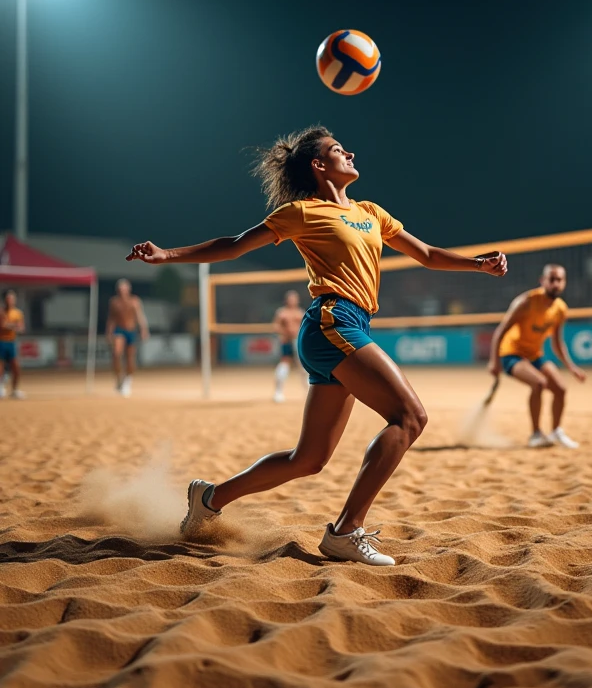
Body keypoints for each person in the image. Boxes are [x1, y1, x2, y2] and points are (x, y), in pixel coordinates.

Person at [127, 125, 507, 565]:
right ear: (318, 164)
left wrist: (478, 265)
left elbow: (425, 254)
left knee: (308, 459)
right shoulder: (303, 212)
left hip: (351, 324)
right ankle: (346, 530)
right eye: (337, 149)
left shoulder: (370, 212)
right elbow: (234, 246)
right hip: (332, 320)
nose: (349, 152)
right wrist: (168, 254)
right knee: (410, 417)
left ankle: (210, 498)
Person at [488, 264, 586, 449]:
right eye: (552, 279)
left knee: (560, 389)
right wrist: (494, 362)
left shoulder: (560, 309)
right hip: (511, 353)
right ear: (543, 281)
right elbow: (500, 332)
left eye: (560, 280)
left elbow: (557, 342)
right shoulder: (526, 302)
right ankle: (535, 434)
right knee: (539, 383)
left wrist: (572, 367)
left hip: (534, 354)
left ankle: (556, 431)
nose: (556, 284)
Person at [106, 278, 149, 397]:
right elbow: (111, 319)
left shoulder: (134, 301)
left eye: (124, 289)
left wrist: (144, 329)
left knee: (130, 358)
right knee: (117, 353)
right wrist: (109, 332)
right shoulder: (114, 302)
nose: (123, 291)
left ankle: (127, 381)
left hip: (131, 330)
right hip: (119, 330)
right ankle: (118, 378)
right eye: (121, 289)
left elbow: (140, 316)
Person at [272, 289, 306, 402]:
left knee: (304, 367)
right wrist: (284, 334)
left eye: (294, 299)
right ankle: (278, 392)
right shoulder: (282, 312)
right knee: (284, 364)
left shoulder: (300, 312)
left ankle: (309, 392)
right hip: (287, 341)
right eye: (290, 299)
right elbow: (276, 326)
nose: (292, 301)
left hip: (299, 342)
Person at [0, 289, 26, 399]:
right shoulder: (1, 312)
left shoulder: (18, 313)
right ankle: (0, 387)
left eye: (12, 298)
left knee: (16, 367)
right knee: (0, 367)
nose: (10, 301)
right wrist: (13, 326)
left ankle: (14, 390)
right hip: (1, 341)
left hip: (11, 342)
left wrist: (11, 326)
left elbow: (21, 328)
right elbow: (2, 325)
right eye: (8, 298)